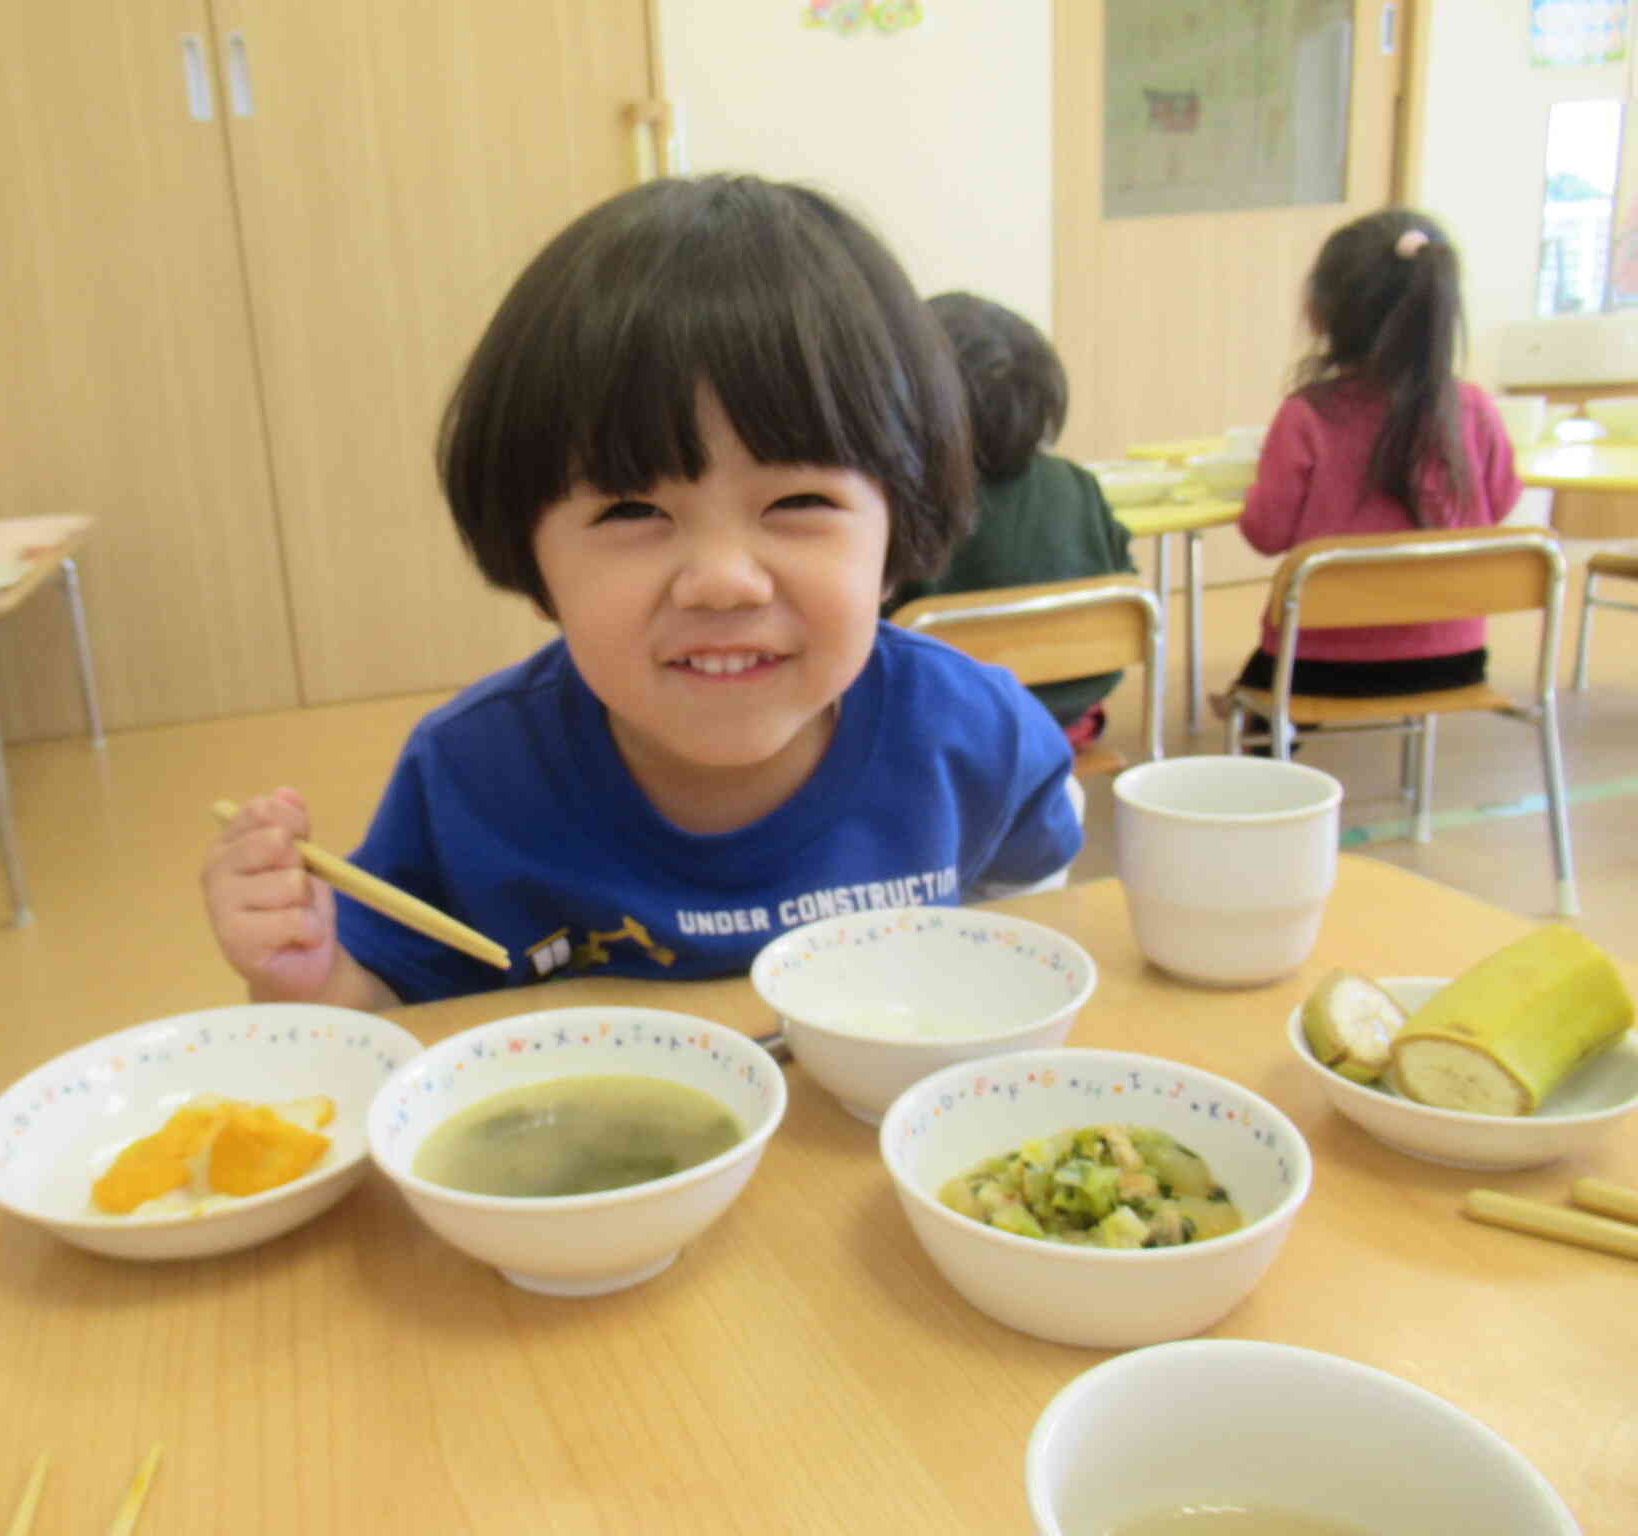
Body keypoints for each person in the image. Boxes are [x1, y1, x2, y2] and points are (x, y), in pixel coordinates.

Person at [202, 175, 1082, 1010]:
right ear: (532, 556)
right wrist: (309, 975)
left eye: (798, 502)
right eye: (632, 510)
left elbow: (1034, 909)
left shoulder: (974, 733)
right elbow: (390, 1012)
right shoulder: (472, 779)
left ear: (900, 526)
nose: (723, 581)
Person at [1229, 208, 1520, 731]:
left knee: (1256, 694)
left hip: (1317, 667)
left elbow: (1265, 534)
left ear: (1322, 314)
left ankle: (1272, 760)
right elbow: (1497, 506)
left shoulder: (1307, 415)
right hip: (1454, 661)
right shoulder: (1473, 408)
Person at [886, 292, 1136, 750]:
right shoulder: (1078, 484)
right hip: (1065, 723)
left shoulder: (908, 499)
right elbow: (1124, 583)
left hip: (943, 735)